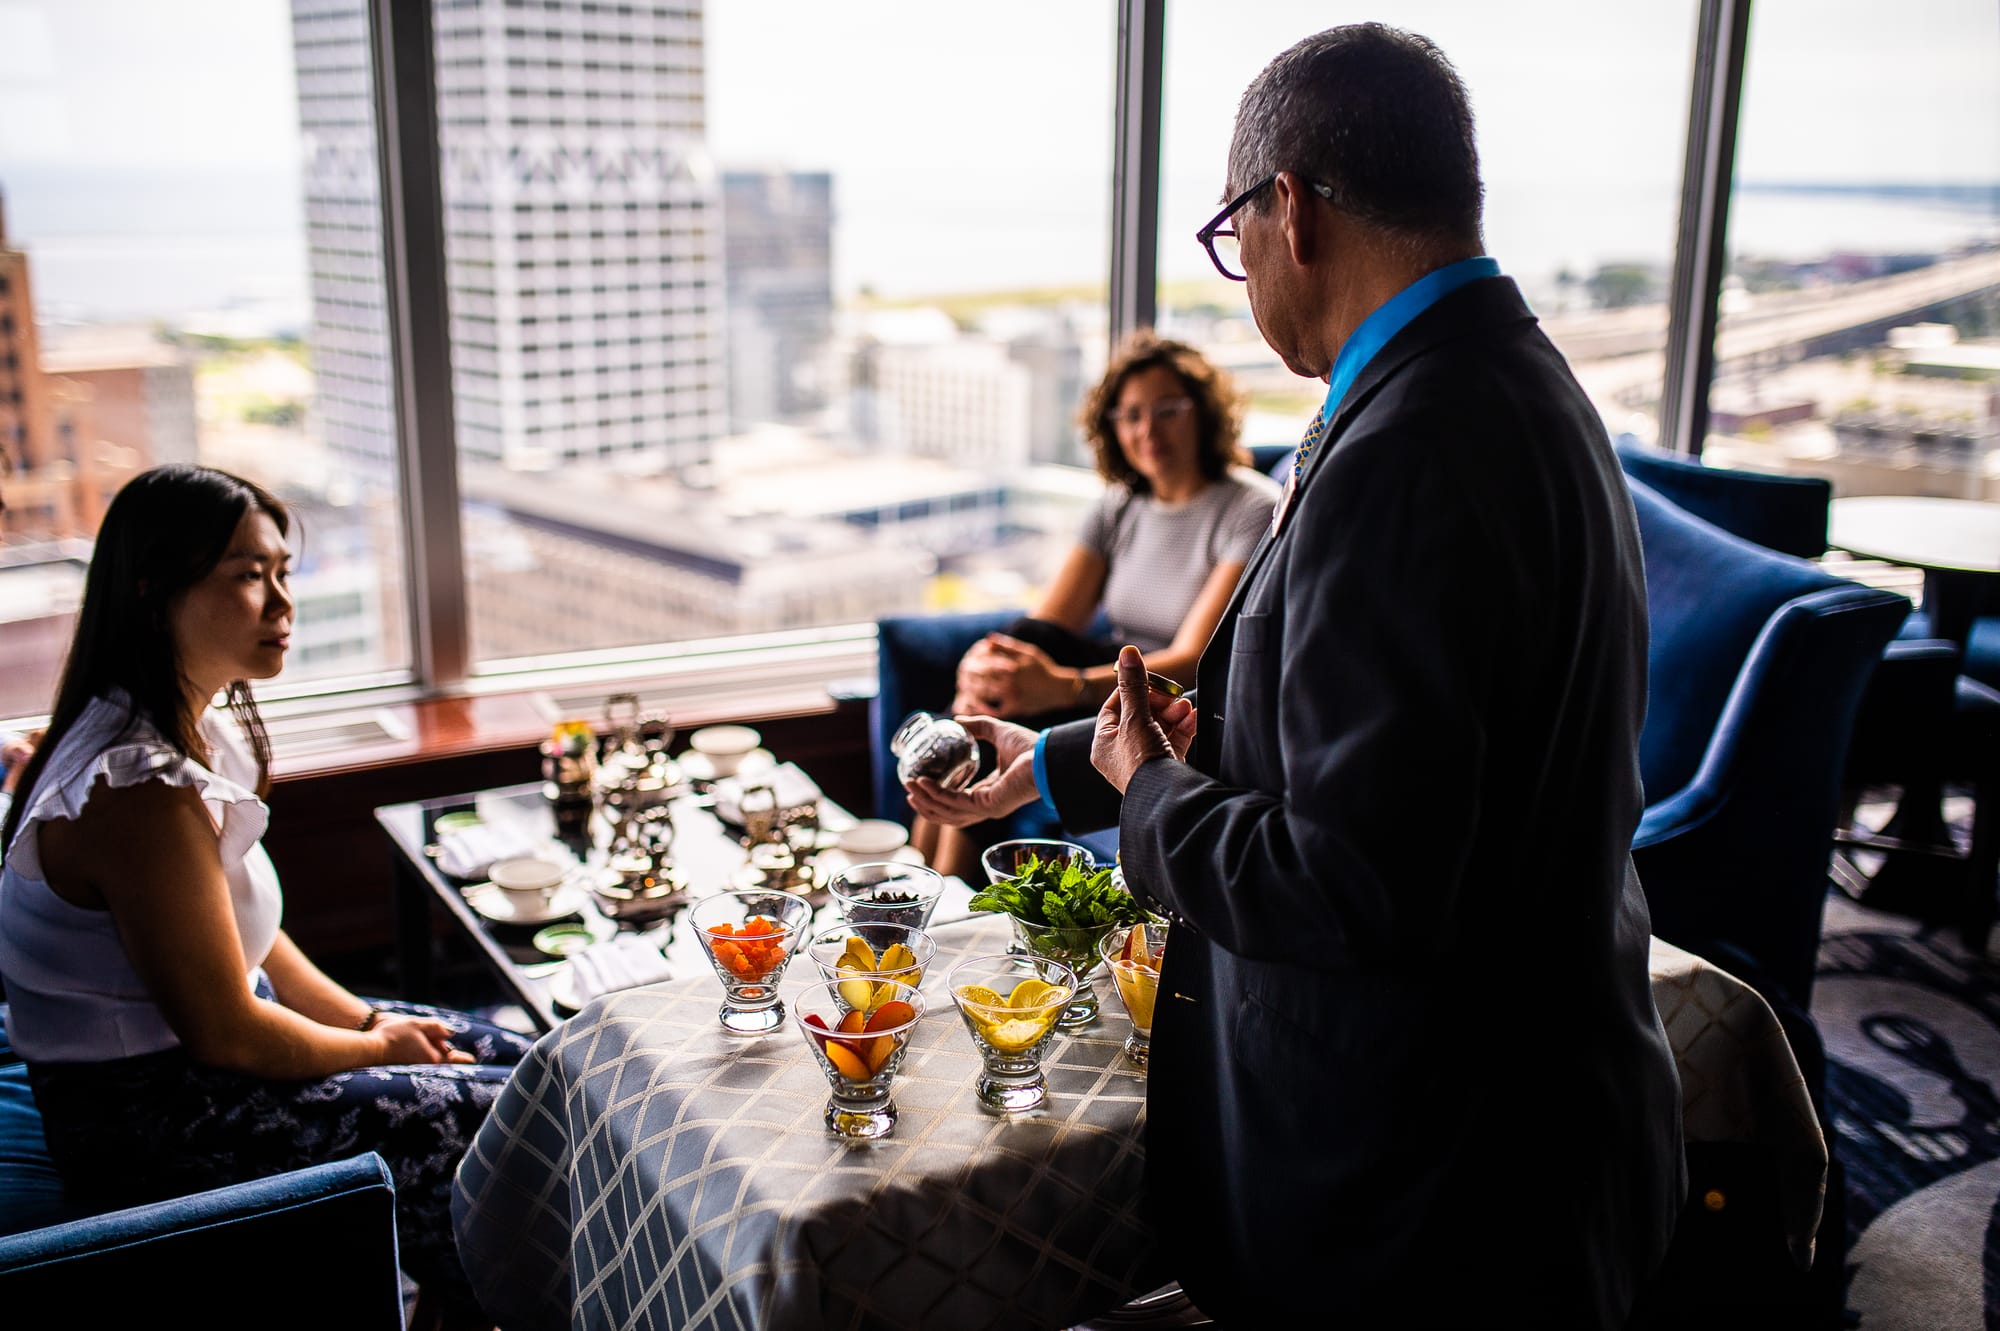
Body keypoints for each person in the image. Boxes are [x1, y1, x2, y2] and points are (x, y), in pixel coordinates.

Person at [907, 25, 1683, 1328]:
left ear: (1291, 208)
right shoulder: (1503, 384)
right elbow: (1395, 761)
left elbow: (1353, 879)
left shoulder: (1410, 455)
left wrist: (1150, 793)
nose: (1244, 269)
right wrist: (1058, 764)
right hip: (1510, 1129)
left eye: (1235, 232)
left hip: (1435, 1191)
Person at [0, 465, 529, 1318]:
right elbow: (227, 1032)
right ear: (153, 591)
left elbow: (248, 937)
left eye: (282, 572)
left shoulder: (178, 727)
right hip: (152, 1115)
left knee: (534, 1070)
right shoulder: (136, 789)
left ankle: (464, 1292)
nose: (284, 602)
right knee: (513, 1130)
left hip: (202, 1060)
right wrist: (378, 1049)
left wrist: (365, 1021)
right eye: (248, 576)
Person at [913, 334, 1277, 876]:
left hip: (1167, 699)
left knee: (1006, 695)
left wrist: (1062, 686)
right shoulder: (1120, 505)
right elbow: (1048, 624)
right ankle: (923, 875)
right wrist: (992, 672)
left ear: (1204, 413)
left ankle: (927, 884)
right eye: (1129, 415)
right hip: (1106, 675)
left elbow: (1197, 658)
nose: (1147, 430)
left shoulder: (1249, 507)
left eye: (1167, 411)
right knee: (1015, 654)